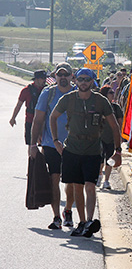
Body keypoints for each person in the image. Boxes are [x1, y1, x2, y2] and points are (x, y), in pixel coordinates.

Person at [50, 68, 122, 237]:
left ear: (92, 82)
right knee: (77, 186)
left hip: (93, 150)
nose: (83, 82)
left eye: (87, 79)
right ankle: (82, 222)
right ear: (76, 81)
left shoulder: (100, 101)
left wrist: (118, 151)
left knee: (90, 186)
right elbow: (53, 117)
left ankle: (89, 221)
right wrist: (55, 141)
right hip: (72, 149)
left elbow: (114, 126)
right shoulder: (68, 99)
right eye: (80, 79)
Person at [30, 62, 75, 229]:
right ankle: (56, 216)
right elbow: (38, 119)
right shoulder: (48, 94)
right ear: (55, 76)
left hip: (73, 145)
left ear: (72, 76)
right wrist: (33, 144)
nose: (63, 78)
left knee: (71, 182)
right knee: (54, 178)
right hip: (50, 144)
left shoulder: (77, 94)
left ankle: (68, 210)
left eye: (66, 75)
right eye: (59, 75)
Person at [9, 69, 47, 154]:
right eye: (42, 78)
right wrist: (13, 118)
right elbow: (19, 105)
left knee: (45, 144)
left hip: (44, 121)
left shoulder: (47, 90)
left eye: (45, 78)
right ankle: (32, 162)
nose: (44, 80)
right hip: (30, 121)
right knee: (31, 144)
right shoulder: (26, 90)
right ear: (36, 79)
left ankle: (43, 163)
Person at [97, 85, 123, 189]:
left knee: (109, 159)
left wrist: (118, 136)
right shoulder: (99, 106)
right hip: (99, 137)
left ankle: (106, 180)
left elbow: (120, 122)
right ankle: (99, 175)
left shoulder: (116, 108)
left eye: (113, 92)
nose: (113, 94)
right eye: (110, 92)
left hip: (111, 138)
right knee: (99, 159)